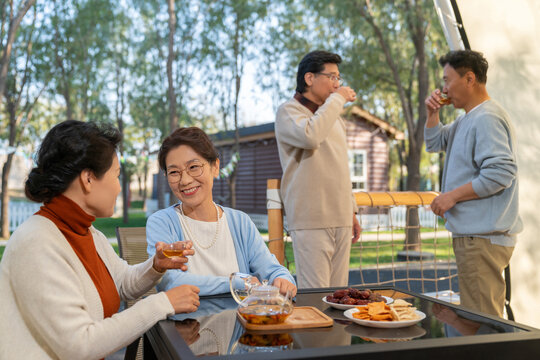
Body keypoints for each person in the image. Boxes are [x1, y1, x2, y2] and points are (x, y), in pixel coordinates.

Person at [0, 120, 200, 360]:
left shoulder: (88, 233)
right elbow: (79, 345)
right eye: (116, 176)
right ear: (88, 179)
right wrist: (162, 303)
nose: (118, 188)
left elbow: (123, 282)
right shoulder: (36, 243)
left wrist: (156, 264)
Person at [424, 50, 522, 317]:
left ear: (469, 79)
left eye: (447, 80)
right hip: (474, 238)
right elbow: (434, 143)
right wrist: (432, 112)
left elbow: (500, 173)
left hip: (482, 239)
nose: (443, 88)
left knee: (484, 324)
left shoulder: (486, 118)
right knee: (477, 317)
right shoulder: (465, 119)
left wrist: (451, 196)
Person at [146, 127, 296, 297]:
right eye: (174, 172)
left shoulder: (240, 222)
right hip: (186, 321)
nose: (185, 180)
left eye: (194, 167)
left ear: (215, 167)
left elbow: (272, 270)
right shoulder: (162, 222)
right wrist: (237, 282)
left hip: (239, 321)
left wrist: (282, 278)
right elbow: (170, 282)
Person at [274, 50, 361, 289]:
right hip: (310, 219)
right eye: (331, 77)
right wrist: (338, 99)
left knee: (338, 295)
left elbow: (341, 166)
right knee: (316, 296)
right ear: (309, 78)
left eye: (338, 79)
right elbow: (310, 136)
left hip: (341, 216)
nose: (337, 84)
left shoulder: (334, 117)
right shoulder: (288, 112)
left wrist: (351, 211)